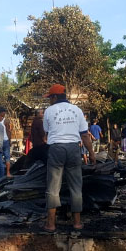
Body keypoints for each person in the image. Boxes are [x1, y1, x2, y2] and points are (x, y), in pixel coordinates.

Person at [42, 84, 96, 233]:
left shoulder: (48, 111)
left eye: (50, 98)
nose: (49, 101)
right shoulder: (77, 110)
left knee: (53, 187)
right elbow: (84, 134)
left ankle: (51, 224)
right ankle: (77, 223)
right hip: (74, 148)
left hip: (56, 148)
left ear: (54, 97)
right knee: (76, 186)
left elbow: (46, 132)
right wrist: (91, 153)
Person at [0, 107, 12, 177]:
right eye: (4, 112)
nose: (5, 113)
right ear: (1, 112)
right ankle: (8, 173)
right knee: (7, 157)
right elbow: (8, 131)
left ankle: (1, 173)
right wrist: (10, 140)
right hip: (5, 141)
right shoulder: (5, 121)